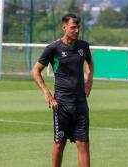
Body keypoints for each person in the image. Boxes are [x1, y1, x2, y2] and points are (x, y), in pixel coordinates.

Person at [32, 13, 94, 167]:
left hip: (81, 103)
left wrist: (89, 81)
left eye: (78, 27)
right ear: (64, 27)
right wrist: (47, 94)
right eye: (73, 27)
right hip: (62, 105)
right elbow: (35, 71)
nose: (77, 30)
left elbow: (90, 63)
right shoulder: (53, 48)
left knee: (83, 144)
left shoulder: (83, 46)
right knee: (60, 144)